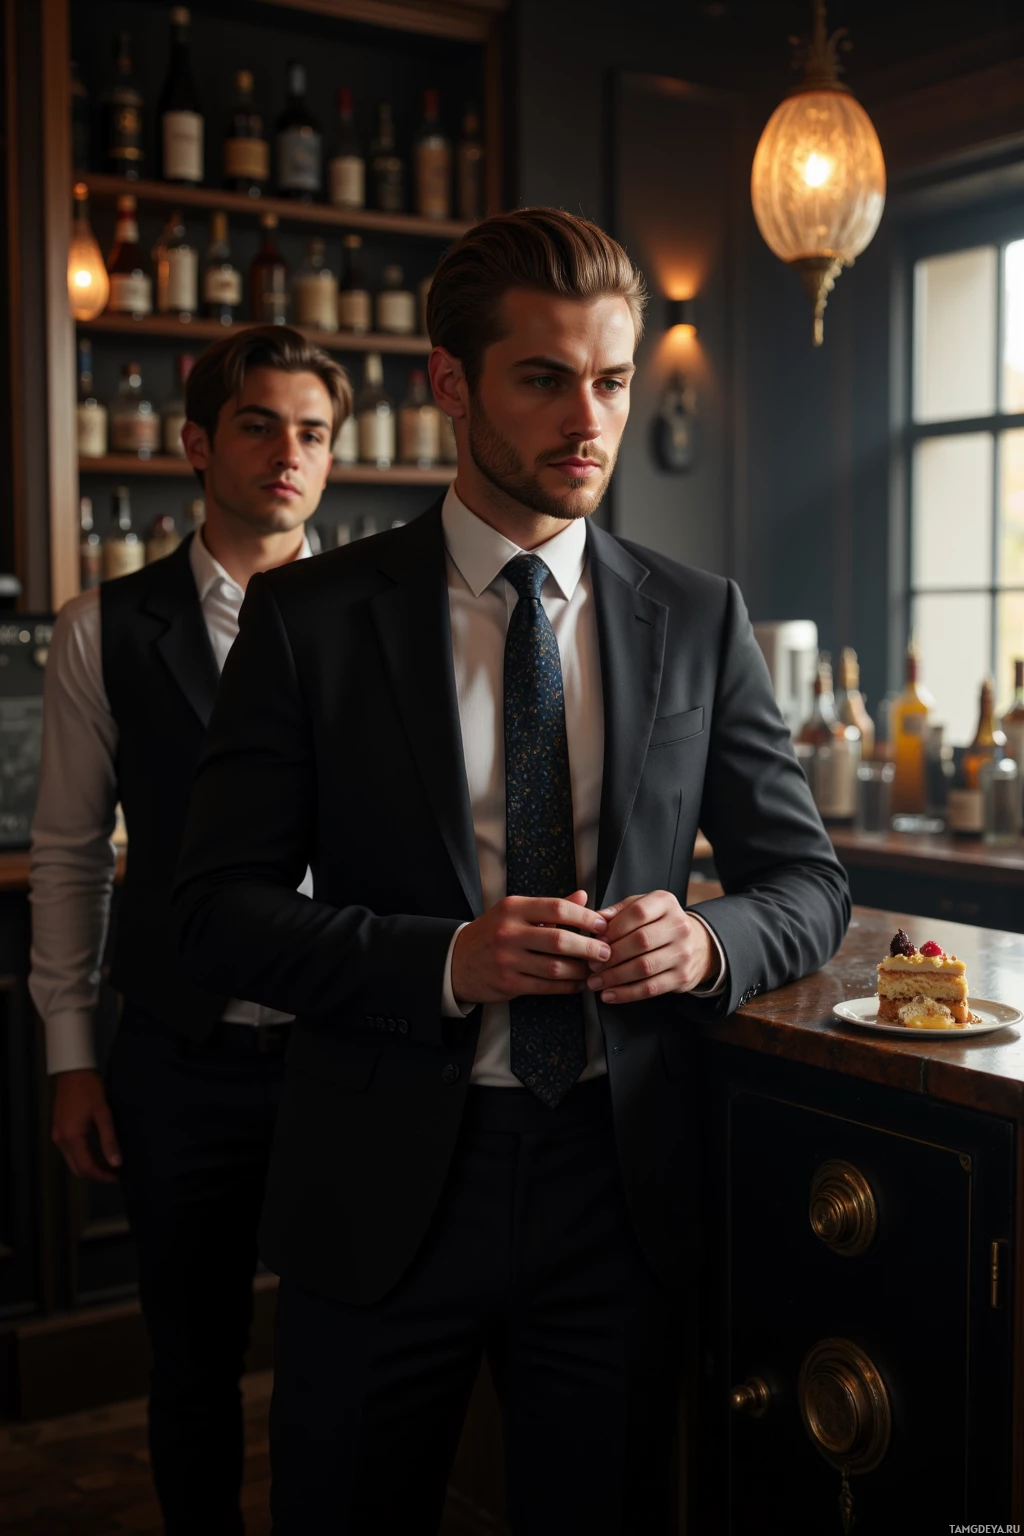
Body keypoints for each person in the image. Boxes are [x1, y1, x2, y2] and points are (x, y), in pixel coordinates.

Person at [172, 209, 850, 1534]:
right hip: (383, 1195)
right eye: (544, 379)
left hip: (620, 1185)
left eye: (609, 378)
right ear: (449, 383)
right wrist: (440, 958)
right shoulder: (311, 619)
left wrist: (709, 944)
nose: (587, 418)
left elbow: (806, 883)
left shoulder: (697, 613)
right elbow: (211, 915)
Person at [29, 326, 351, 1536]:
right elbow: (68, 855)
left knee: (346, 1360)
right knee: (192, 1370)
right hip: (180, 1055)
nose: (288, 454)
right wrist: (71, 1056)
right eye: (260, 424)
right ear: (195, 445)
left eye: (312, 431)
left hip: (347, 1049)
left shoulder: (374, 614)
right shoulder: (103, 627)